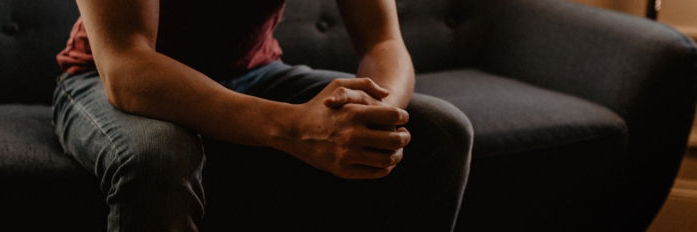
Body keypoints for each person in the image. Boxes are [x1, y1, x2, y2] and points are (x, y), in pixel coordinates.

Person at [53, 0, 472, 231]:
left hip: (252, 73)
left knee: (439, 131)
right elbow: (126, 66)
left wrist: (372, 117)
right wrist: (293, 128)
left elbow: (384, 42)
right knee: (159, 158)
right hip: (107, 77)